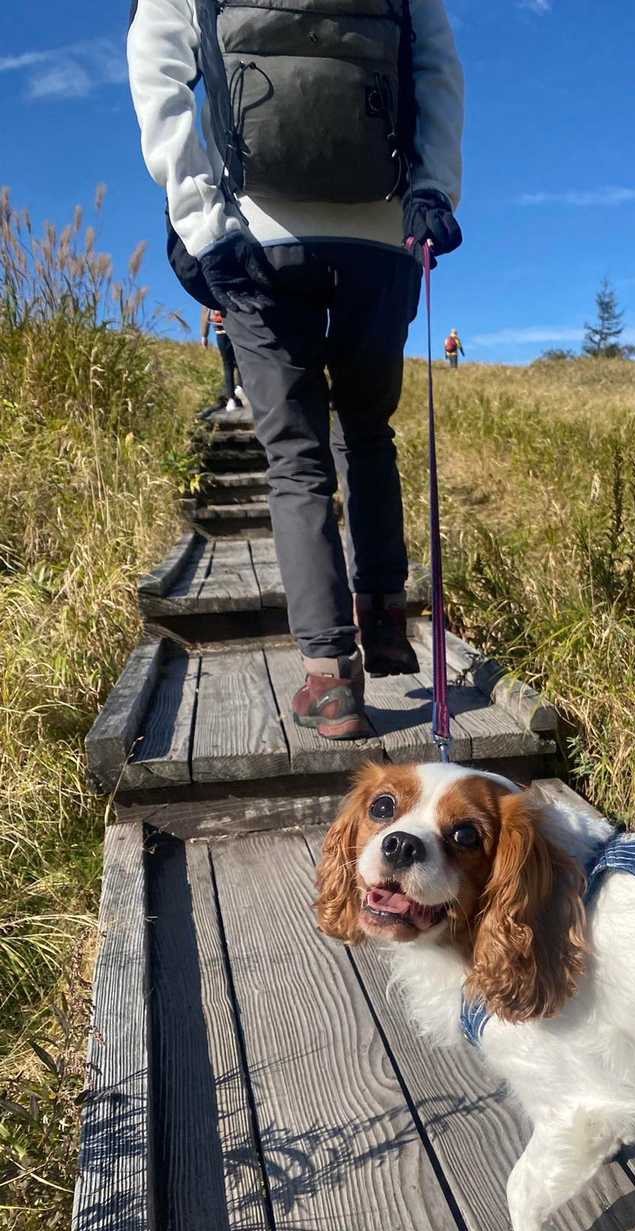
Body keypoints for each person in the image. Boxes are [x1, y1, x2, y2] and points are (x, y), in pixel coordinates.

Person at [128, 0, 464, 739]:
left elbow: (158, 67)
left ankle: (330, 677)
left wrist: (201, 218)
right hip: (382, 234)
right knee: (369, 433)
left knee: (295, 457)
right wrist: (432, 189)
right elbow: (438, 68)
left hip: (257, 238)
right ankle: (383, 616)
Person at [200, 304, 246, 411]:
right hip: (236, 328)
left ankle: (231, 399)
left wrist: (204, 336)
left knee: (227, 364)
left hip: (220, 330)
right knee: (240, 359)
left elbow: (205, 313)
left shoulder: (210, 294)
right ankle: (240, 387)